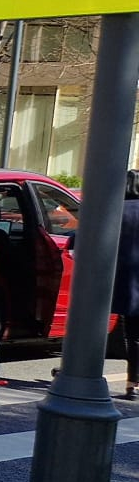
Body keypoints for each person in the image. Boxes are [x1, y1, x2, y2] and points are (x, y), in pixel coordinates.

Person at [115, 169, 139, 399]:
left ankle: (79, 370)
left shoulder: (116, 210)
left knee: (96, 327)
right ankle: (134, 383)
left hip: (116, 278)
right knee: (136, 335)